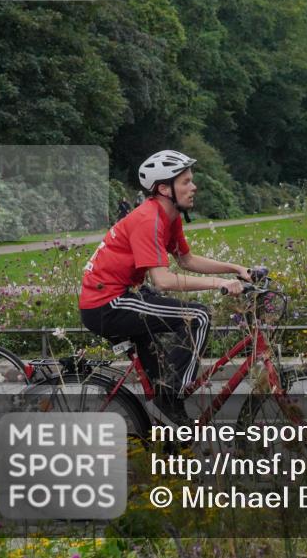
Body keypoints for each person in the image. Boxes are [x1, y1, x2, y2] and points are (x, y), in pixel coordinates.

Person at [79, 150, 249, 425]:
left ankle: (166, 429)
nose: (193, 187)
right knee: (199, 317)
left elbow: (186, 260)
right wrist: (220, 284)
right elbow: (163, 280)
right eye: (186, 182)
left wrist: (236, 269)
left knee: (161, 374)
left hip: (122, 296)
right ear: (163, 188)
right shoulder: (149, 219)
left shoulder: (169, 217)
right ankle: (169, 401)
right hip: (106, 304)